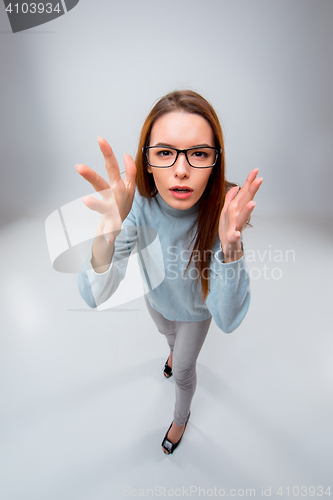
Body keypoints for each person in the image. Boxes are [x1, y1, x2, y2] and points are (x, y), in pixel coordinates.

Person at [76, 90, 262, 455]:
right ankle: (172, 350)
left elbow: (228, 318)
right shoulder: (140, 207)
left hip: (196, 313)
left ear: (215, 161)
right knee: (167, 335)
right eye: (165, 152)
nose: (181, 169)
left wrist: (231, 247)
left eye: (199, 154)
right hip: (158, 300)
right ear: (147, 162)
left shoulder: (223, 212)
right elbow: (94, 294)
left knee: (182, 372)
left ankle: (180, 418)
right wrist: (106, 233)